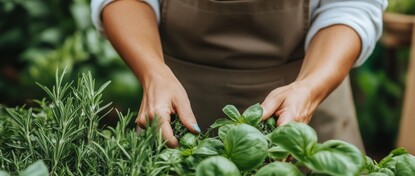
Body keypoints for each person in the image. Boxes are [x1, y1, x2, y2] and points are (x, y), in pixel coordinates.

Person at [91, 0, 387, 149]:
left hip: (309, 104)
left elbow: (352, 6)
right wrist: (152, 72)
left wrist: (310, 88)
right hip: (176, 110)